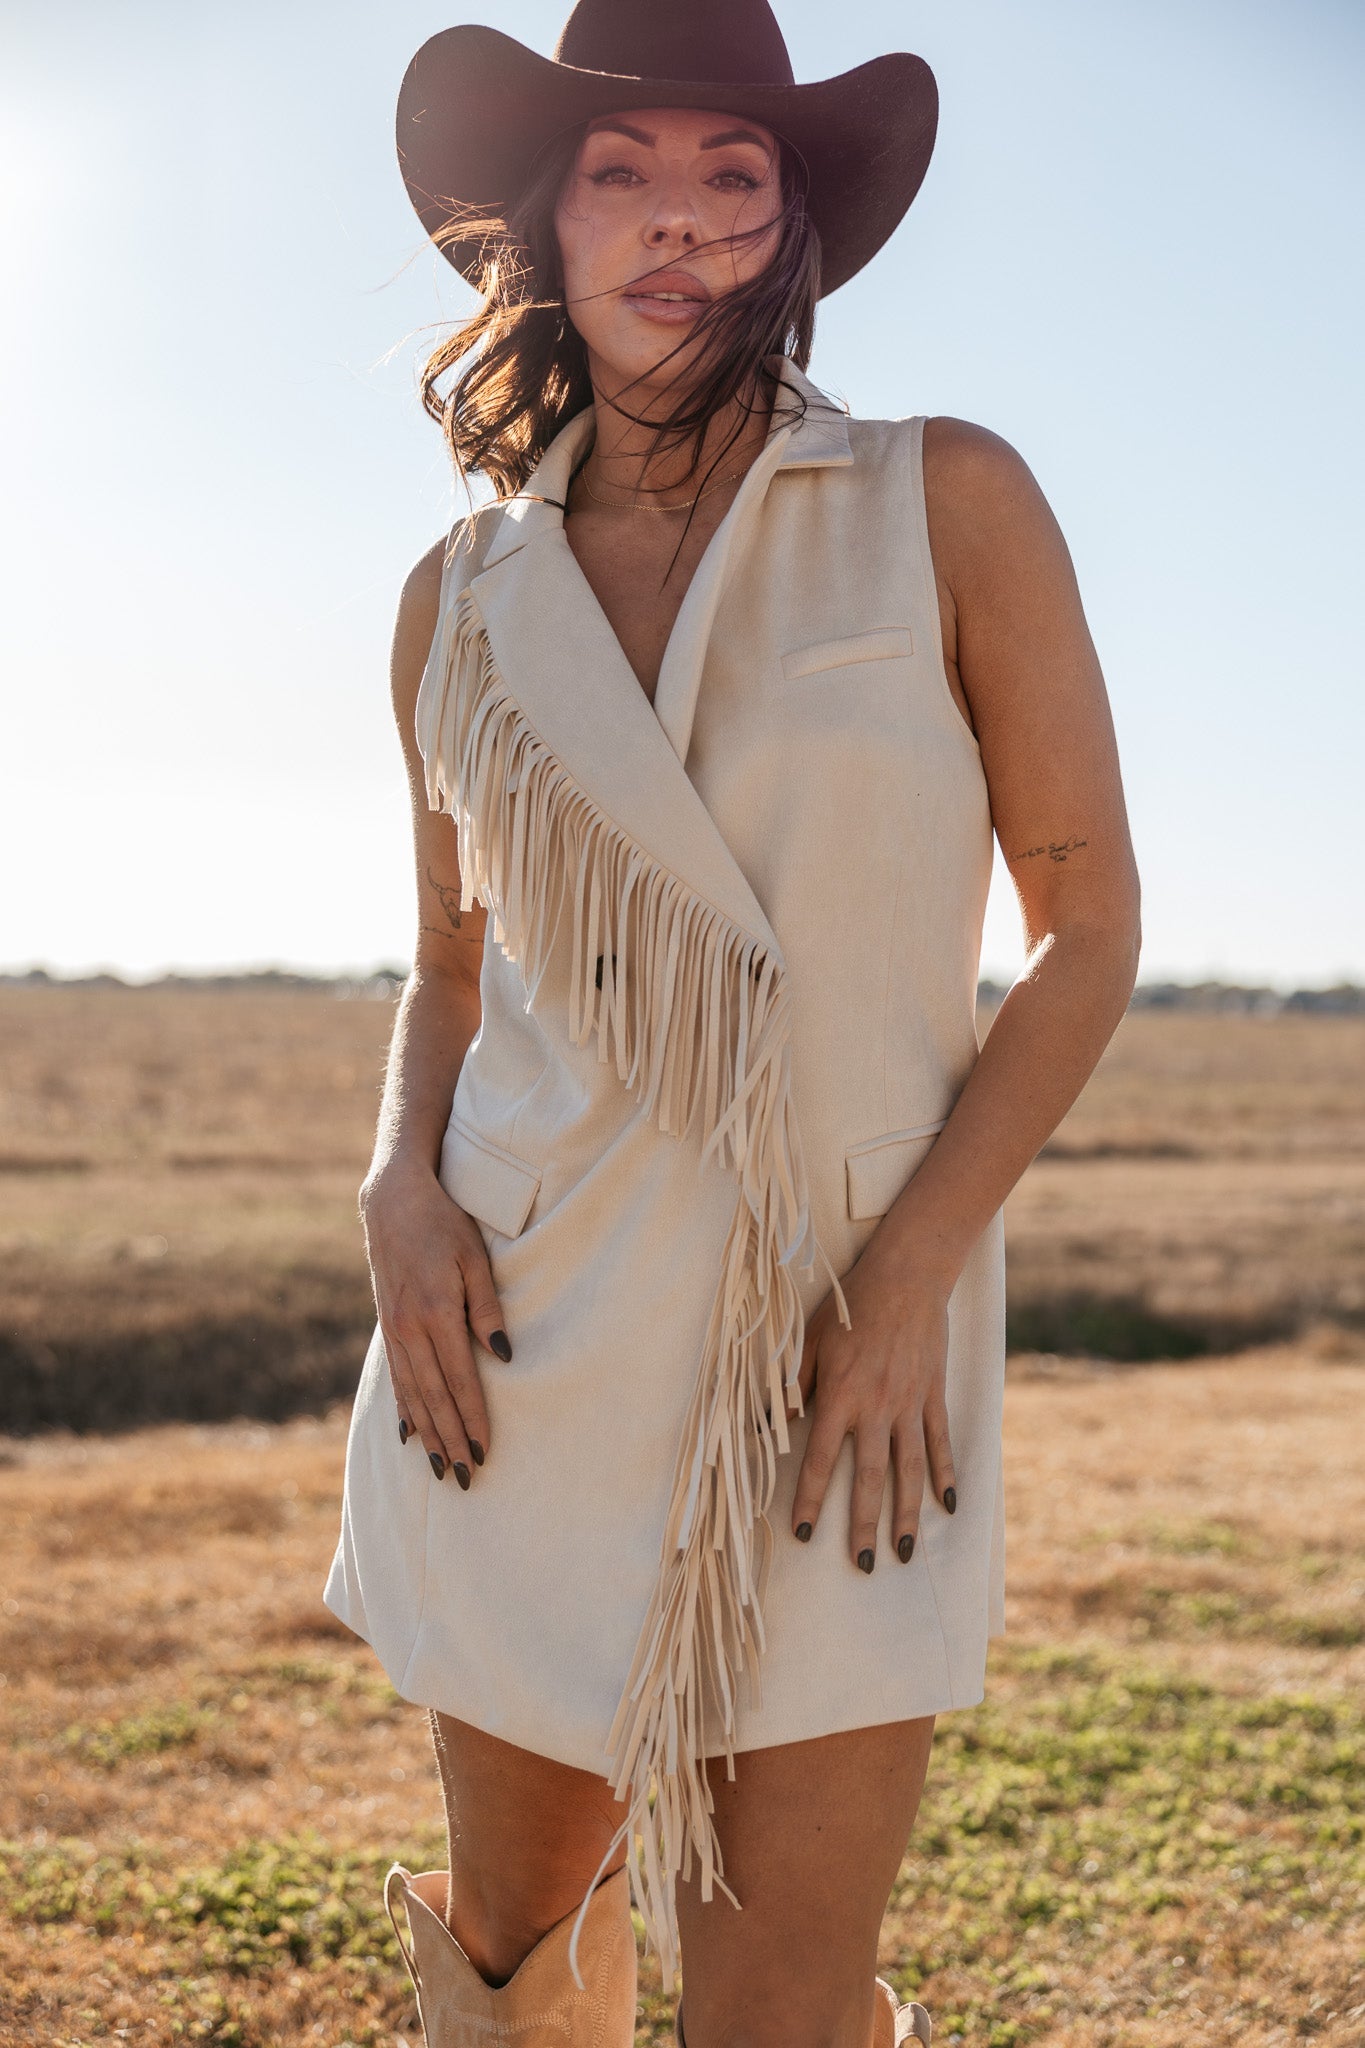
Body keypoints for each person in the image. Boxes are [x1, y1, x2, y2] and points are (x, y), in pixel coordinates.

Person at [323, 3, 1142, 2045]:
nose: (672, 216)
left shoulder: (939, 500)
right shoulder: (460, 596)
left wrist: (905, 1283)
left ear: (787, 229)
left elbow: (1085, 922)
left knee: (774, 2002)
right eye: (619, 170)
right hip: (523, 1325)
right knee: (516, 1962)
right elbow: (450, 968)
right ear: (544, 222)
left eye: (729, 172)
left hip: (842, 1356)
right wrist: (393, 1187)